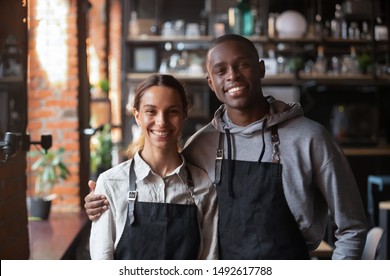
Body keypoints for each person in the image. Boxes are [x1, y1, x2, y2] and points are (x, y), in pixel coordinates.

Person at [85, 34, 367, 260]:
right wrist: (103, 200)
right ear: (211, 82)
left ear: (261, 69)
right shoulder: (202, 145)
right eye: (220, 70)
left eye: (242, 64)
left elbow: (352, 227)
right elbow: (166, 188)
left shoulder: (310, 138)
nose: (232, 75)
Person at [89, 73, 218, 260]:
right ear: (137, 115)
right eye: (151, 111)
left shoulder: (204, 186)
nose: (161, 121)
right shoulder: (110, 183)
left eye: (172, 111)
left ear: (184, 114)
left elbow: (209, 260)